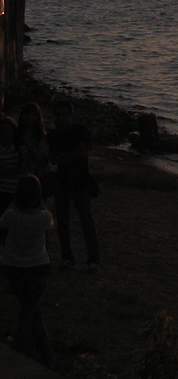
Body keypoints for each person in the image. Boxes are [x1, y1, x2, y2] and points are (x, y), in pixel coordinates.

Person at [0, 173, 55, 366]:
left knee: (30, 310)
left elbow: (3, 223)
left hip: (14, 268)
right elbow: (48, 222)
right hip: (38, 269)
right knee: (30, 311)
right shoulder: (44, 217)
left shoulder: (10, 215)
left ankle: (43, 354)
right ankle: (28, 349)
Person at [47, 99, 100, 271]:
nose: (61, 118)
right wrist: (72, 155)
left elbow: (82, 154)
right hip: (62, 182)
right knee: (63, 222)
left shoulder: (80, 131)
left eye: (64, 115)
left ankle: (93, 259)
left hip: (80, 181)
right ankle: (67, 258)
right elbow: (54, 159)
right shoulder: (53, 136)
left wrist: (64, 156)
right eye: (58, 115)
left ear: (71, 115)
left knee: (86, 220)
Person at [15, 103, 51, 191]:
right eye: (27, 114)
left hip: (39, 174)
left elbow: (43, 157)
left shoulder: (41, 136)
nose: (29, 117)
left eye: (33, 115)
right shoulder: (17, 135)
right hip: (21, 174)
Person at [0, 116, 20, 243]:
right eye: (3, 131)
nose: (6, 134)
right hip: (2, 190)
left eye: (9, 131)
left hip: (16, 190)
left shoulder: (18, 147)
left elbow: (24, 166)